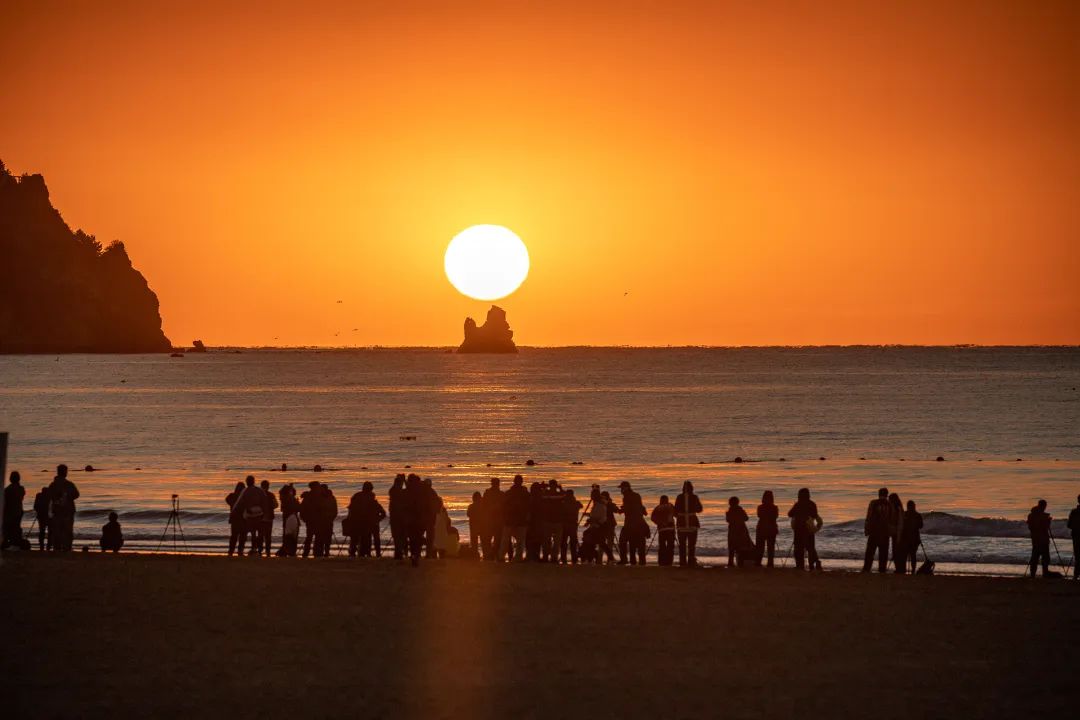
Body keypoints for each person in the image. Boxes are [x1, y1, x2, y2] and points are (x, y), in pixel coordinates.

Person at [233, 475, 269, 556]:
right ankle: (256, 549)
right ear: (253, 481)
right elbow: (265, 502)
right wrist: (264, 513)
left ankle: (250, 549)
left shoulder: (245, 491)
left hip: (250, 515)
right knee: (257, 533)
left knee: (251, 533)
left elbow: (239, 503)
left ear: (247, 482)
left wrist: (234, 511)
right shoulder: (259, 490)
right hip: (258, 514)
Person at [347, 482, 386, 557]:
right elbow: (352, 509)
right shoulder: (359, 496)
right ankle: (365, 553)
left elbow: (351, 509)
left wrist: (377, 519)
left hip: (366, 522)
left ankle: (367, 553)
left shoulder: (369, 499)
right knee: (362, 538)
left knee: (364, 538)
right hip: (362, 522)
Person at [788, 488, 823, 571]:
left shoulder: (798, 504)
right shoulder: (812, 504)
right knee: (810, 548)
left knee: (798, 548)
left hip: (799, 529)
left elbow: (790, 514)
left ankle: (800, 566)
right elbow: (814, 515)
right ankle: (813, 565)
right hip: (809, 529)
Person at [47, 465, 80, 552]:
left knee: (57, 531)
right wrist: (67, 496)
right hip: (67, 512)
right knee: (67, 531)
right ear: (65, 472)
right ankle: (66, 548)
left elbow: (48, 496)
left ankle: (57, 548)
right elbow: (76, 494)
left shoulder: (53, 485)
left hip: (57, 511)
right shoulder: (68, 484)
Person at [617, 481, 649, 565]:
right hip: (640, 523)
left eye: (622, 488)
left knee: (623, 541)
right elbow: (641, 508)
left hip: (630, 523)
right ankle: (641, 562)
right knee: (637, 543)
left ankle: (626, 560)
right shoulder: (637, 495)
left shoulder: (626, 497)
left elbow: (629, 508)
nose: (621, 490)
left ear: (626, 488)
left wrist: (620, 510)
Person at [401, 473, 429, 566]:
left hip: (411, 520)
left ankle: (414, 555)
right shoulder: (421, 491)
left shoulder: (408, 492)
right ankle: (416, 555)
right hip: (420, 519)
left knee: (413, 539)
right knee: (417, 538)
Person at [499, 474, 530, 561]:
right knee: (507, 541)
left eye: (519, 481)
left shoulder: (524, 493)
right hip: (511, 520)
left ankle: (516, 557)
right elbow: (503, 507)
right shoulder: (510, 493)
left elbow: (528, 507)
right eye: (517, 481)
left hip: (519, 520)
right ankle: (502, 557)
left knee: (518, 541)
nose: (518, 483)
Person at [863, 488, 891, 573]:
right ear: (887, 495)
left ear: (879, 494)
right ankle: (882, 569)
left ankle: (867, 569)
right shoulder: (889, 504)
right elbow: (892, 519)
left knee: (870, 552)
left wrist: (867, 529)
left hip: (874, 531)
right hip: (885, 532)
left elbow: (869, 516)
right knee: (883, 553)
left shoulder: (873, 503)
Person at [675, 481, 702, 567]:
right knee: (692, 545)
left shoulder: (679, 497)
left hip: (681, 524)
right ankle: (691, 561)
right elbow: (699, 509)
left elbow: (675, 510)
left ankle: (682, 562)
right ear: (692, 488)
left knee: (682, 545)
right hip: (692, 523)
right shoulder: (694, 497)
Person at [581, 486, 609, 563]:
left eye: (592, 495)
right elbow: (594, 515)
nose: (591, 497)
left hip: (598, 527)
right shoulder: (597, 504)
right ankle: (590, 556)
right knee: (595, 542)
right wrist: (589, 517)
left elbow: (598, 517)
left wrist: (589, 520)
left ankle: (591, 556)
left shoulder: (599, 505)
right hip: (596, 526)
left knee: (598, 542)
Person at [725, 496, 754, 568]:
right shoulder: (740, 510)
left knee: (731, 547)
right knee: (740, 546)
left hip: (732, 530)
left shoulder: (729, 511)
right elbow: (746, 518)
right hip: (741, 529)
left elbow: (728, 520)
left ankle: (730, 563)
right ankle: (740, 562)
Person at [1027, 499, 1052, 578]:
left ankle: (1033, 574)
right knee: (1044, 557)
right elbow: (1042, 527)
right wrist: (1047, 522)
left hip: (1036, 539)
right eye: (1044, 506)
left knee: (1035, 557)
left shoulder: (1031, 515)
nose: (1045, 508)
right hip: (1042, 539)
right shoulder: (1040, 516)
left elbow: (1030, 527)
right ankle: (1044, 573)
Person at [897, 500, 923, 574]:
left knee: (905, 555)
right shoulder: (917, 515)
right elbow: (921, 526)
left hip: (906, 539)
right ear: (914, 506)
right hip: (914, 539)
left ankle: (904, 570)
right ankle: (913, 570)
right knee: (913, 555)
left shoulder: (905, 514)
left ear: (908, 506)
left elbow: (901, 527)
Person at [2, 471, 26, 550]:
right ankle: (15, 543)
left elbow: (5, 502)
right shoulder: (21, 489)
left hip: (10, 512)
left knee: (8, 528)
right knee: (16, 527)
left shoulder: (8, 490)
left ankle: (9, 543)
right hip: (18, 511)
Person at [481, 478, 504, 561]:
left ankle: (492, 555)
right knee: (493, 539)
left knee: (494, 539)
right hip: (492, 520)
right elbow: (484, 506)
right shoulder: (491, 493)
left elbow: (483, 506)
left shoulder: (499, 494)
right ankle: (492, 555)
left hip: (493, 520)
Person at [755, 491, 779, 568]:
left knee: (760, 547)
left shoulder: (760, 507)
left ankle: (758, 562)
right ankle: (770, 563)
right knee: (770, 547)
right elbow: (775, 517)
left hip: (761, 528)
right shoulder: (774, 507)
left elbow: (759, 515)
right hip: (771, 528)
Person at [651, 495, 676, 566]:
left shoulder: (658, 508)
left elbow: (652, 518)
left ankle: (662, 562)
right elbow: (676, 514)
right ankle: (669, 562)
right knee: (670, 546)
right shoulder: (670, 506)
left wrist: (659, 523)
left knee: (662, 546)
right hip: (671, 529)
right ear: (667, 500)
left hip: (662, 529)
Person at [300, 481, 323, 558]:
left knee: (312, 537)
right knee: (313, 537)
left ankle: (309, 553)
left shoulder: (310, 496)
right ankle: (312, 553)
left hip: (314, 520)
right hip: (312, 520)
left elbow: (302, 509)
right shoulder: (312, 496)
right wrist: (305, 519)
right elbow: (303, 509)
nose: (320, 488)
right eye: (318, 486)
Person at [560, 488, 582, 564]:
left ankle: (564, 558)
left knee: (565, 542)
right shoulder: (575, 503)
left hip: (567, 524)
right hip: (571, 524)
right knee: (572, 542)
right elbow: (580, 506)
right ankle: (573, 558)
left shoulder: (564, 503)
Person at [277, 483, 300, 557]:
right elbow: (297, 508)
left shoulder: (285, 498)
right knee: (291, 536)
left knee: (287, 536)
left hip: (287, 518)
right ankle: (290, 551)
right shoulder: (289, 499)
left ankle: (286, 551)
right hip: (290, 518)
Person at [388, 474, 407, 560]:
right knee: (401, 536)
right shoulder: (401, 493)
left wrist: (402, 480)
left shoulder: (393, 492)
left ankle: (398, 553)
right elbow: (409, 490)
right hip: (400, 518)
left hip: (395, 517)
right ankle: (400, 553)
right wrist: (404, 480)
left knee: (397, 536)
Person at [225, 481, 245, 556]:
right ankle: (240, 551)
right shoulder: (243, 497)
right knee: (242, 536)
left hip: (234, 519)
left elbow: (227, 499)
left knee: (234, 536)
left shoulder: (232, 496)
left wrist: (231, 504)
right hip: (242, 519)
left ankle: (231, 551)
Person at [259, 479, 278, 557]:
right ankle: (268, 551)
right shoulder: (271, 495)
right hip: (269, 518)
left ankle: (260, 550)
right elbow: (276, 505)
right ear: (268, 486)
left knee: (260, 535)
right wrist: (270, 507)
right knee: (268, 536)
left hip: (260, 518)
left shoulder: (259, 495)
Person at [887, 492, 905, 572]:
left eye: (890, 500)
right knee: (897, 552)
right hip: (897, 534)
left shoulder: (897, 509)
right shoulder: (898, 508)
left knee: (896, 552)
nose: (889, 501)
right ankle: (899, 568)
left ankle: (899, 569)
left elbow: (899, 524)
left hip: (897, 534)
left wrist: (898, 536)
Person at [466, 491, 484, 558]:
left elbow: (468, 514)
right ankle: (485, 555)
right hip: (482, 525)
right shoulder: (483, 506)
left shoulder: (471, 506)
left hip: (473, 526)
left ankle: (475, 555)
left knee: (474, 542)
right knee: (483, 541)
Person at [33, 485, 51, 551]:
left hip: (41, 516)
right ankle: (48, 547)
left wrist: (38, 511)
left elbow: (35, 506)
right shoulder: (49, 496)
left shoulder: (39, 496)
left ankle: (42, 546)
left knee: (42, 531)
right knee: (49, 532)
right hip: (48, 517)